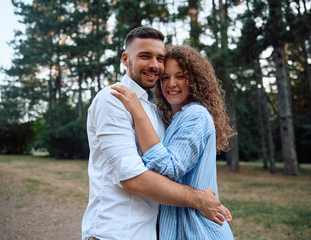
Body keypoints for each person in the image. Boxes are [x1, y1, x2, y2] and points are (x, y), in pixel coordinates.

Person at [82, 27, 228, 240]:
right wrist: (199, 199)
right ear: (125, 59)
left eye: (159, 58)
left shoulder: (157, 111)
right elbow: (133, 179)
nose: (154, 65)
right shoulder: (113, 99)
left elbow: (172, 167)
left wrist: (210, 201)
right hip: (115, 233)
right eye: (144, 56)